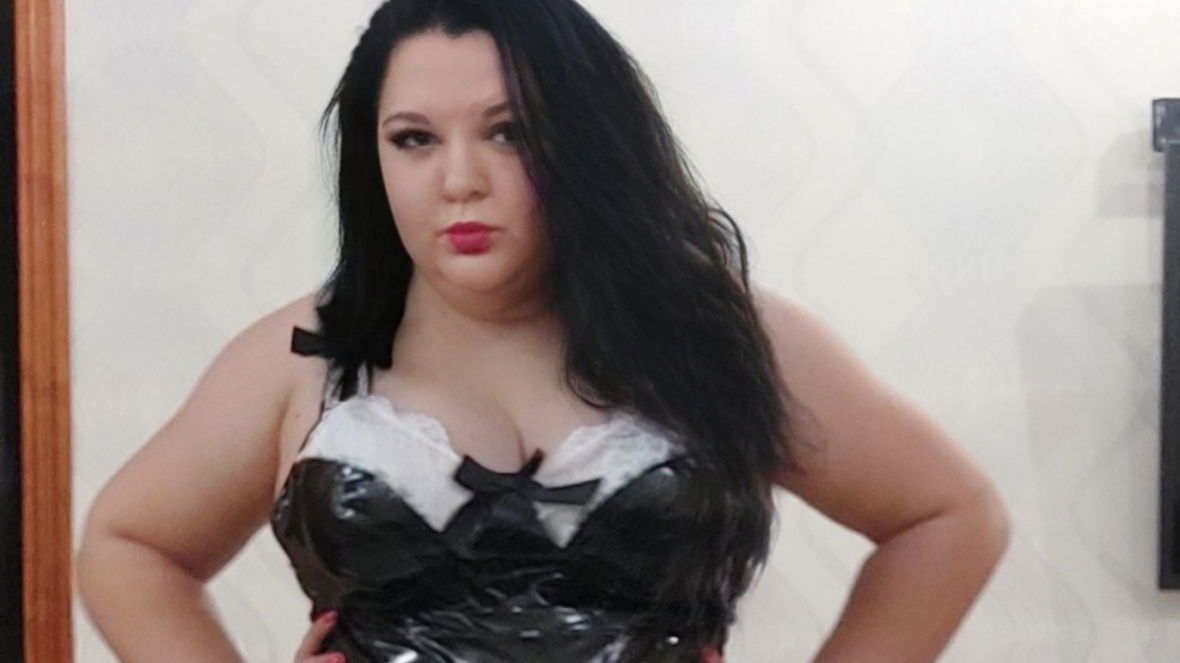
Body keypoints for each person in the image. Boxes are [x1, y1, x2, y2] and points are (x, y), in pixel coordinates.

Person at [74, 1, 1011, 662]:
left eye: (509, 131)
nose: (460, 180)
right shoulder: (302, 358)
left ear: (587, 142)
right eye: (414, 138)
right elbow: (128, 544)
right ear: (372, 156)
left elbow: (948, 515)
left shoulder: (720, 332)